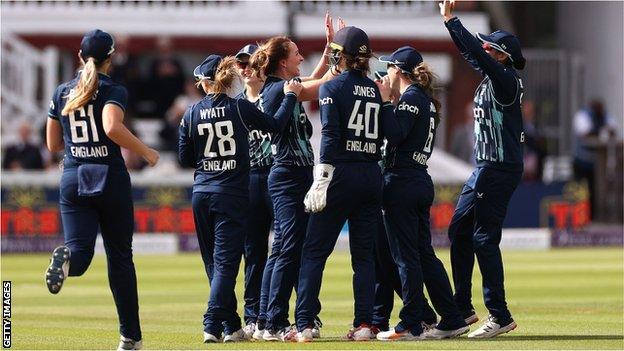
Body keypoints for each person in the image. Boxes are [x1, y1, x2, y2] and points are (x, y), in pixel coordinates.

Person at [44, 29, 160, 350]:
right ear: (111, 59)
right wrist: (147, 152)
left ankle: (65, 258)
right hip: (109, 176)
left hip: (73, 176)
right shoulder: (112, 88)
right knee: (120, 259)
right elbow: (111, 127)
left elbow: (53, 144)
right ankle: (130, 338)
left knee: (79, 254)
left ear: (80, 57)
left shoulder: (61, 91)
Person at [178, 54, 302, 343]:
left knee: (213, 264)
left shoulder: (191, 112)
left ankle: (231, 325)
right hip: (231, 194)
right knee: (225, 266)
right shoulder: (239, 108)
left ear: (205, 83)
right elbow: (276, 126)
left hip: (202, 193)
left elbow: (185, 158)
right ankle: (212, 323)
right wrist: (291, 97)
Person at [291, 26, 398, 342]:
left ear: (339, 55)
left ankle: (305, 324)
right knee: (363, 257)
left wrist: (321, 176)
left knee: (313, 251)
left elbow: (331, 135)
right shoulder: (375, 91)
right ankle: (364, 324)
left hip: (340, 175)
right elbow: (385, 135)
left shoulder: (332, 88)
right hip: (370, 175)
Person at [248, 12, 341, 341]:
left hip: (295, 174)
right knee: (286, 248)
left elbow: (312, 83)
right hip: (287, 175)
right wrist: (340, 53)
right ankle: (271, 321)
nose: (302, 57)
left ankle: (265, 319)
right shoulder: (277, 92)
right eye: (296, 53)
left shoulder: (283, 86)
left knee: (287, 248)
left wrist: (332, 49)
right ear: (283, 62)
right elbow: (321, 85)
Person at [441, 0, 526, 338]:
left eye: (490, 47)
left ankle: (500, 315)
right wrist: (450, 25)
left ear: (501, 55)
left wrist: (454, 22)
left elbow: (476, 52)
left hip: (499, 167)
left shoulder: (505, 79)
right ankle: (463, 308)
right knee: (458, 231)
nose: (484, 50)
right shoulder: (494, 76)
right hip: (485, 167)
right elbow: (473, 54)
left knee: (483, 238)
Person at [374, 46, 469, 341]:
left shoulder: (410, 99)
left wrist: (386, 103)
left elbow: (397, 134)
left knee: (405, 256)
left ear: (398, 71)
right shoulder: (423, 99)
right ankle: (452, 317)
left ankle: (412, 323)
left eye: (389, 68)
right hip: (417, 179)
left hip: (402, 182)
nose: (386, 73)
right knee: (423, 255)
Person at [232, 43, 273, 339]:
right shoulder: (235, 104)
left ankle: (299, 316)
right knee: (254, 250)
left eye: (251, 64)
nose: (246, 70)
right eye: (241, 65)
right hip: (250, 179)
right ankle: (253, 315)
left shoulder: (276, 96)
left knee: (289, 248)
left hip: (279, 175)